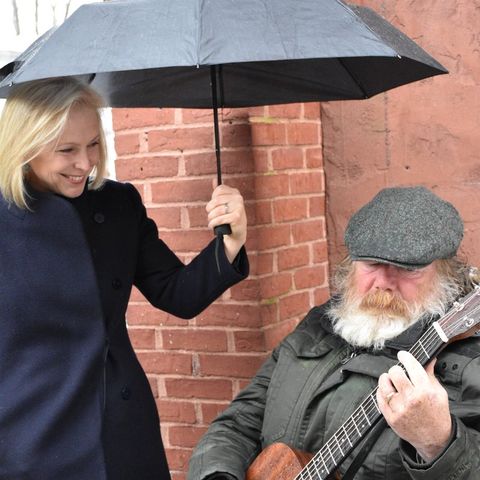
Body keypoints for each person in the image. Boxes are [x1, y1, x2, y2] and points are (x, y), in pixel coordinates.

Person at [0, 77, 249, 480]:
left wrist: (230, 244)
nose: (85, 163)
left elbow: (177, 293)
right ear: (24, 145)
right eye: (67, 150)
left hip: (121, 429)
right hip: (29, 440)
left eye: (94, 144)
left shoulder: (118, 205)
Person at [187, 186, 480, 480]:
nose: (384, 283)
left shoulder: (467, 364)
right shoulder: (318, 327)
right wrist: (216, 474)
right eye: (371, 263)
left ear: (446, 274)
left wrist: (439, 442)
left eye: (408, 269)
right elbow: (239, 423)